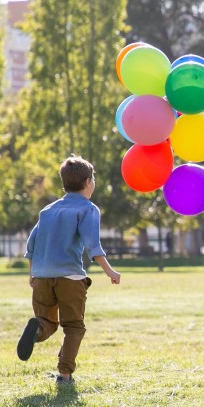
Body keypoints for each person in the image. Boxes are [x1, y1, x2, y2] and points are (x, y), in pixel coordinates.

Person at [17, 155, 121, 386]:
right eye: (93, 178)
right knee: (73, 326)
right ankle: (64, 375)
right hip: (70, 277)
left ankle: (37, 329)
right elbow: (93, 246)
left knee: (47, 322)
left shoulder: (48, 210)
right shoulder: (88, 209)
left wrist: (32, 274)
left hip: (42, 276)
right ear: (87, 182)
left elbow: (31, 245)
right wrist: (110, 272)